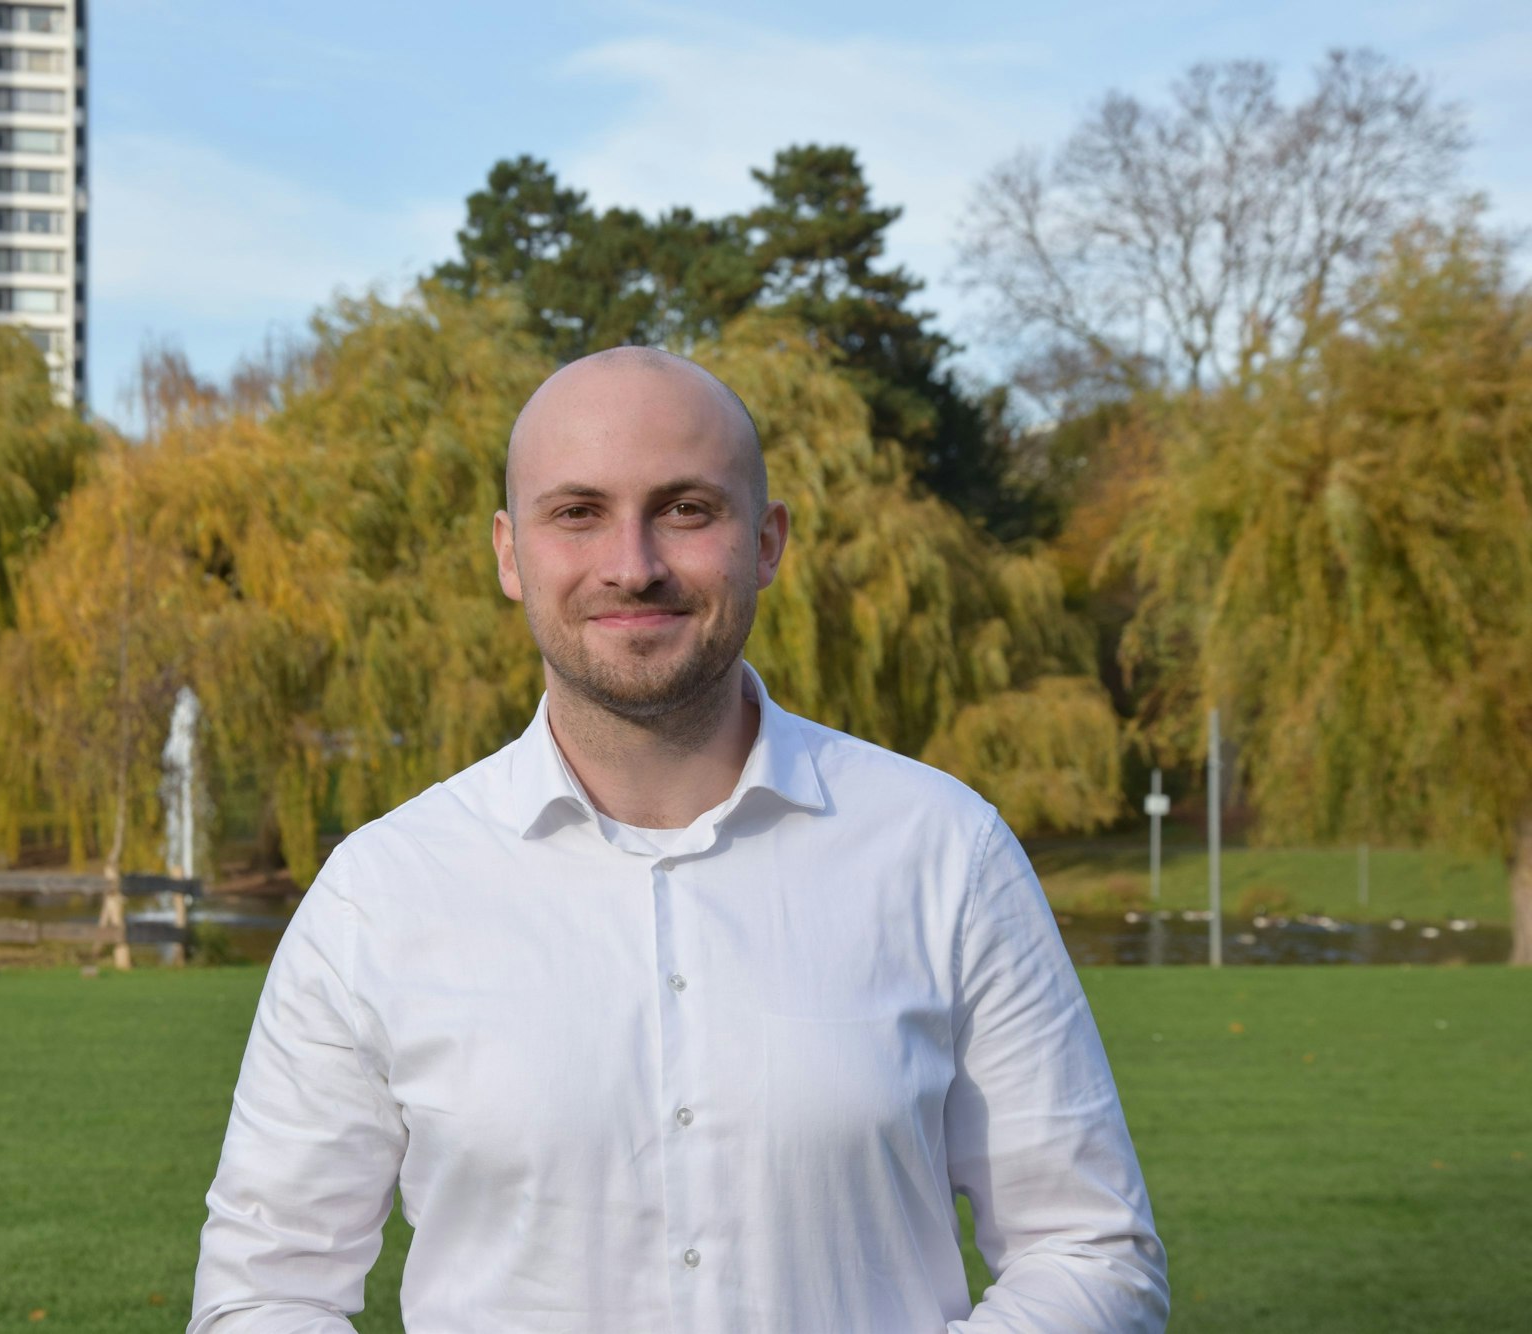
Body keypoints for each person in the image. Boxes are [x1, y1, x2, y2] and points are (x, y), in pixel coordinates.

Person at [190, 347, 1169, 1332]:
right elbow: (264, 1292)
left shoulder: (943, 852)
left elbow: (1086, 1248)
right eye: (576, 512)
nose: (632, 563)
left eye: (686, 509)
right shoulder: (383, 890)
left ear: (767, 541)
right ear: (506, 551)